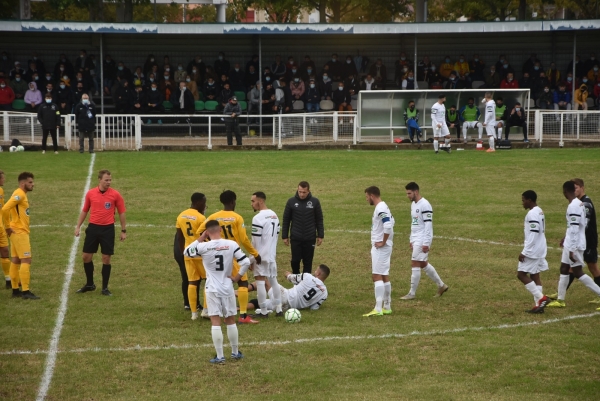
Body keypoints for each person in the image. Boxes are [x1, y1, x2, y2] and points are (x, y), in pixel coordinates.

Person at [184, 220, 248, 364]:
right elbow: (246, 262)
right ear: (220, 229)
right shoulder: (231, 244)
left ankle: (220, 356)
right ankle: (235, 352)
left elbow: (186, 252)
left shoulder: (203, 246)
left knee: (215, 321)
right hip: (227, 287)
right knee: (231, 319)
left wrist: (200, 238)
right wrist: (237, 277)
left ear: (207, 232)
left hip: (212, 288)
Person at [195, 190, 262, 324]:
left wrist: (211, 245)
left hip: (217, 255)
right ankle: (243, 316)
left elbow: (199, 232)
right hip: (232, 255)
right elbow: (244, 239)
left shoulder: (214, 216)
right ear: (233, 201)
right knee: (243, 283)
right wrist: (255, 254)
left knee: (212, 281)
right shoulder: (237, 217)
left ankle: (208, 310)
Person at [74, 170, 127, 296]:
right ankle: (90, 284)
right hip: (93, 228)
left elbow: (122, 212)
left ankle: (104, 288)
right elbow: (85, 210)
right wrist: (78, 227)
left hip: (107, 229)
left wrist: (123, 230)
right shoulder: (90, 193)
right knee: (86, 257)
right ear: (100, 180)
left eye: (110, 180)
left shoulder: (115, 195)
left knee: (106, 258)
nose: (109, 182)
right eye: (106, 180)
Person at [548, 181, 600, 307]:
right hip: (570, 243)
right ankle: (560, 300)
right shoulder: (576, 204)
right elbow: (572, 227)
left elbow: (575, 228)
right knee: (564, 268)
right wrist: (566, 239)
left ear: (565, 191)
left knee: (577, 272)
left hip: (575, 244)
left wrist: (572, 249)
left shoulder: (574, 206)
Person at [401, 182, 448, 300]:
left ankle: (412, 293)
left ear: (416, 192)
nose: (408, 195)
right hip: (416, 238)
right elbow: (414, 223)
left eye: (409, 193)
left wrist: (426, 242)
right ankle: (441, 285)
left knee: (415, 263)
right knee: (423, 263)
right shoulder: (413, 204)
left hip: (423, 238)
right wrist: (411, 239)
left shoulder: (425, 205)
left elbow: (428, 225)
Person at [2, 172, 38, 299]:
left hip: (17, 231)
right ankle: (25, 291)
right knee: (26, 260)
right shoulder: (19, 194)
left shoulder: (20, 193)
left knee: (16, 260)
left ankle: (15, 290)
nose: (33, 184)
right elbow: (5, 209)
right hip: (19, 232)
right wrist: (7, 226)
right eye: (30, 182)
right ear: (23, 184)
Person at [247, 192, 282, 318]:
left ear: (260, 201)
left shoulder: (258, 218)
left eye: (253, 201)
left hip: (260, 256)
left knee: (260, 282)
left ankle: (263, 311)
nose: (251, 204)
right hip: (272, 254)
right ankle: (279, 309)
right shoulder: (274, 215)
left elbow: (255, 241)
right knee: (273, 281)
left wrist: (252, 259)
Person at [243, 265, 329, 314]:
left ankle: (240, 291)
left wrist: (288, 274)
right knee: (258, 302)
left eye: (316, 270)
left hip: (285, 296)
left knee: (265, 282)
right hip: (289, 309)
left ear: (318, 273)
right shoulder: (324, 293)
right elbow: (313, 308)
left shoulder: (308, 277)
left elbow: (292, 278)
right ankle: (238, 308)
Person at [362, 186, 394, 317]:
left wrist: (383, 241)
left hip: (381, 248)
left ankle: (378, 308)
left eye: (366, 197)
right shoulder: (384, 206)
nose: (366, 199)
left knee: (376, 276)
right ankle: (387, 306)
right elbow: (392, 221)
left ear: (372, 196)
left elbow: (388, 225)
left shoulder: (380, 208)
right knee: (384, 275)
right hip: (385, 246)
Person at [517, 190, 550, 313]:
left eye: (523, 200)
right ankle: (539, 306)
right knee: (535, 275)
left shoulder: (532, 214)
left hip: (533, 250)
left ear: (529, 200)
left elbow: (534, 233)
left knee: (521, 274)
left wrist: (525, 251)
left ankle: (542, 298)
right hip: (540, 248)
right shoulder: (539, 211)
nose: (523, 203)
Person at [282, 181, 324, 275]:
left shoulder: (314, 202)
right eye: (300, 191)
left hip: (310, 238)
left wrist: (320, 235)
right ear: (297, 190)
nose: (301, 194)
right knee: (295, 260)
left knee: (308, 262)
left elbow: (319, 219)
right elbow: (286, 220)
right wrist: (285, 236)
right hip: (296, 237)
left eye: (304, 192)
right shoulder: (291, 202)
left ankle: (306, 281)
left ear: (308, 191)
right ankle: (296, 277)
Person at [176, 193, 207, 320]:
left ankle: (194, 313)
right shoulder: (201, 218)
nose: (205, 205)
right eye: (204, 202)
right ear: (198, 202)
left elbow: (180, 237)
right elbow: (205, 236)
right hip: (201, 253)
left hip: (188, 253)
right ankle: (206, 310)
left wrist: (184, 252)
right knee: (208, 281)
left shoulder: (181, 216)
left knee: (192, 282)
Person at [0, 171, 11, 289]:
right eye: (2, 178)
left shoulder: (1, 191)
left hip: (1, 228)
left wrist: (7, 226)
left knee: (5, 251)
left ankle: (8, 279)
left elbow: (3, 209)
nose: (4, 180)